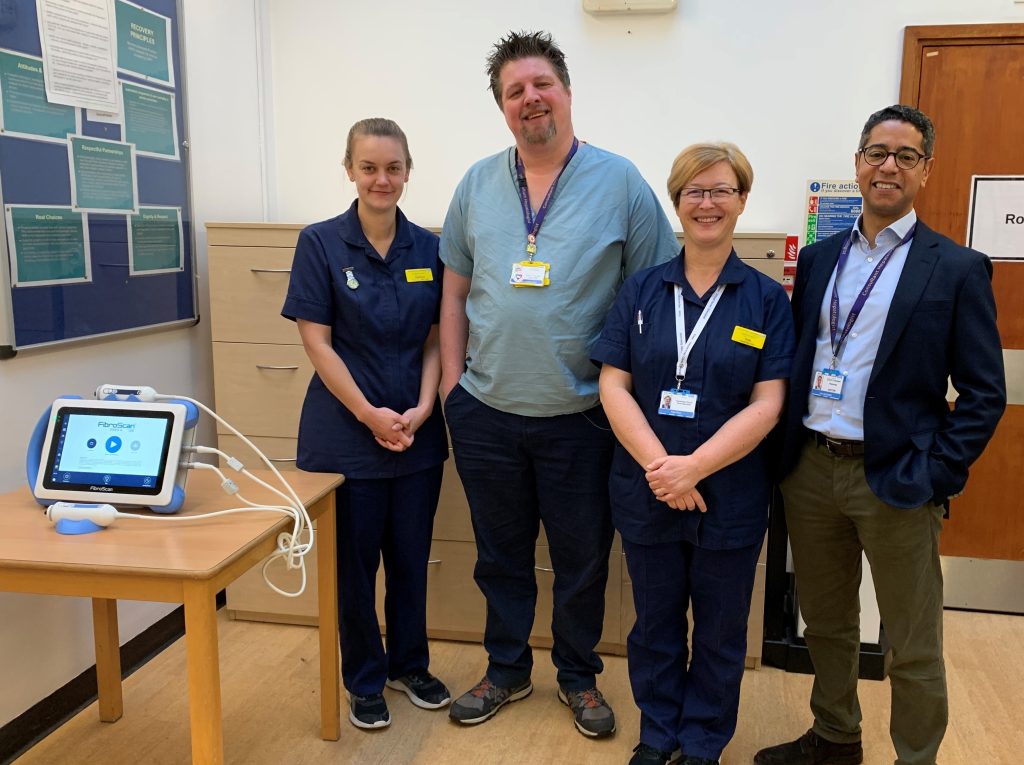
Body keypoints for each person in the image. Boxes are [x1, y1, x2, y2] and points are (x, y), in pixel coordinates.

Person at [439, 30, 679, 737]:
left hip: (582, 416)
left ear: (567, 92)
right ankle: (507, 668)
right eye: (514, 91)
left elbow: (654, 296)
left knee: (580, 559)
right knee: (500, 555)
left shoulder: (621, 182)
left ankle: (578, 676)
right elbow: (452, 293)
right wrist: (454, 386)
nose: (529, 98)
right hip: (485, 412)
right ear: (502, 108)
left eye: (541, 83)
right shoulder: (477, 184)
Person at [755, 105, 1006, 765]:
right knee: (829, 623)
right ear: (859, 163)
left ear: (925, 169)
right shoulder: (817, 260)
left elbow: (985, 392)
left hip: (898, 476)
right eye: (876, 152)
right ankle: (836, 735)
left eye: (904, 154)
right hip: (810, 469)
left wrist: (938, 472)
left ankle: (914, 756)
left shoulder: (955, 268)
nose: (887, 165)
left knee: (913, 641)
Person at [593, 143, 794, 765]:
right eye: (694, 191)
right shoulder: (642, 290)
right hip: (650, 491)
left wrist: (694, 468)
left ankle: (703, 742)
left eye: (721, 190)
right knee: (653, 626)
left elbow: (768, 403)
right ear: (677, 202)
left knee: (720, 631)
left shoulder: (765, 300)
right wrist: (664, 469)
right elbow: (612, 383)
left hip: (728, 498)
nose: (707, 203)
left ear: (741, 201)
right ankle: (659, 735)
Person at [282, 117, 451, 731]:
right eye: (370, 167)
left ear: (408, 171)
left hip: (416, 432)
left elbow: (437, 339)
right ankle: (364, 678)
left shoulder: (430, 248)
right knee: (354, 567)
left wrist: (425, 405)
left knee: (411, 557)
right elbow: (318, 344)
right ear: (349, 169)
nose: (382, 179)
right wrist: (368, 414)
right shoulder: (321, 243)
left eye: (393, 167)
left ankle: (410, 664)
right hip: (347, 436)